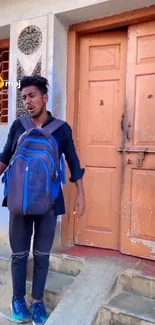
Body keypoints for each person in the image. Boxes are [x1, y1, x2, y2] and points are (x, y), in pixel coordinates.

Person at [0, 75, 85, 325]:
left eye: (32, 95)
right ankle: (18, 299)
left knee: (42, 254)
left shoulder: (61, 129)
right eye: (24, 97)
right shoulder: (18, 125)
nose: (28, 101)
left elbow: (73, 162)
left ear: (45, 98)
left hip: (49, 202)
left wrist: (81, 194)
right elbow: (5, 158)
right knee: (18, 254)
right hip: (19, 199)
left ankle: (37, 302)